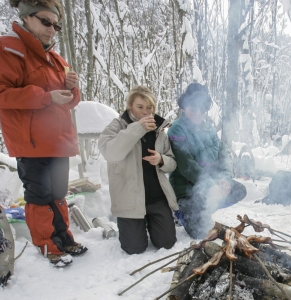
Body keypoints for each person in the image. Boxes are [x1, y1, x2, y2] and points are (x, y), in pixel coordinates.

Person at [0, 0, 87, 267]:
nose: (52, 30)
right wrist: (45, 97)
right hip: (31, 141)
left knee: (58, 193)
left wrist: (71, 89)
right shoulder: (7, 48)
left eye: (56, 25)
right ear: (27, 18)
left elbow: (69, 101)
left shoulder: (55, 58)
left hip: (58, 140)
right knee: (40, 196)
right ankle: (47, 245)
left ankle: (64, 239)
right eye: (45, 22)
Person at [99, 86, 178, 254]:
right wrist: (138, 128)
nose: (145, 112)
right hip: (130, 198)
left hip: (156, 197)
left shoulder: (159, 131)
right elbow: (110, 153)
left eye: (149, 108)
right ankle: (135, 226)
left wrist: (161, 159)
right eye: (140, 106)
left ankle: (152, 221)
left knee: (167, 243)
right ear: (130, 106)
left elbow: (172, 163)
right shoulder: (117, 126)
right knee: (134, 248)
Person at [168, 83, 246, 239]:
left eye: (202, 109)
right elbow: (187, 165)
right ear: (184, 107)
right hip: (187, 190)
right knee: (199, 233)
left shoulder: (209, 129)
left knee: (239, 189)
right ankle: (182, 212)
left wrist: (224, 178)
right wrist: (212, 185)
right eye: (193, 108)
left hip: (211, 186)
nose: (197, 113)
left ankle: (204, 209)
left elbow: (223, 154)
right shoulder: (176, 129)